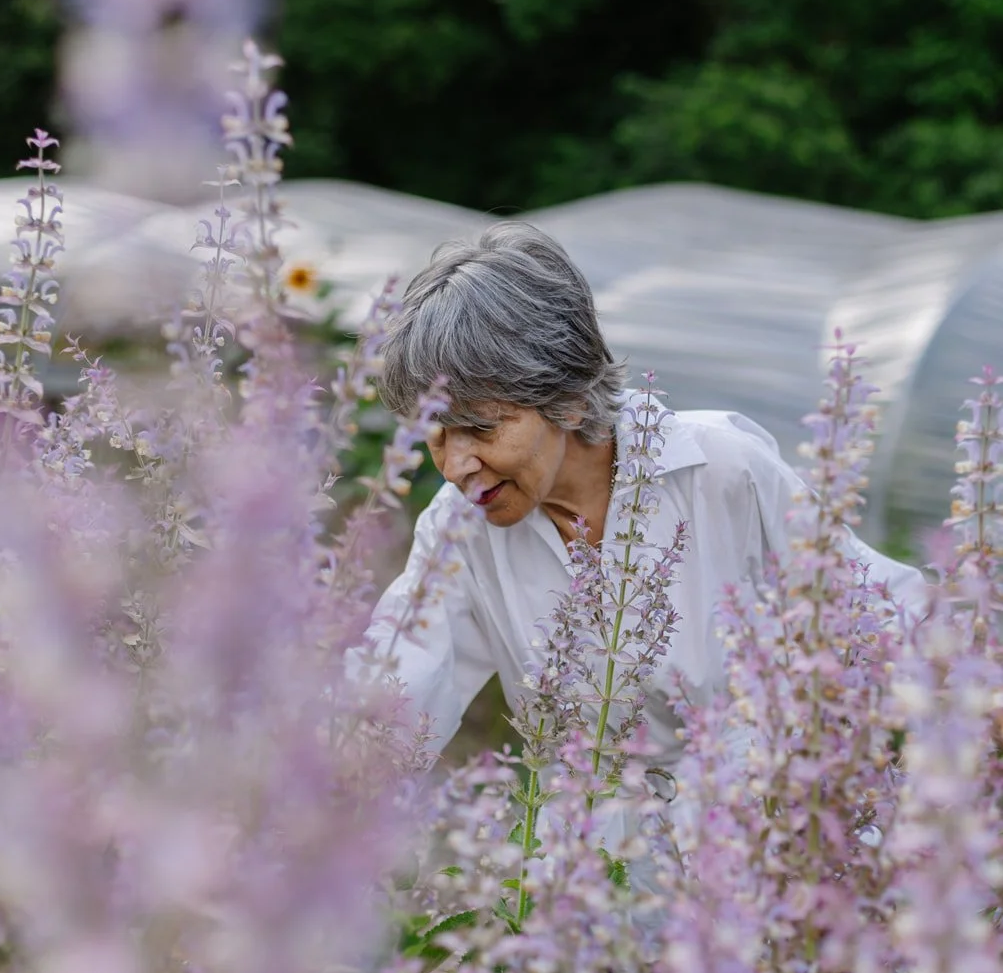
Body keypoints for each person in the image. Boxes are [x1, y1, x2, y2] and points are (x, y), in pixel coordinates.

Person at [369, 222, 925, 775]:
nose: (454, 467)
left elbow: (882, 615)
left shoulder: (721, 470)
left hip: (756, 812)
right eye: (436, 432)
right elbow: (396, 685)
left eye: (483, 429)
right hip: (583, 828)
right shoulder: (458, 527)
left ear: (568, 399)